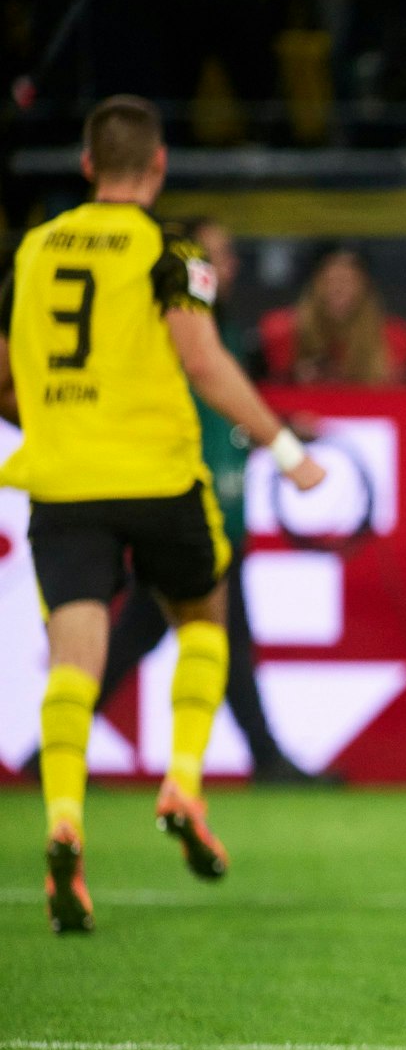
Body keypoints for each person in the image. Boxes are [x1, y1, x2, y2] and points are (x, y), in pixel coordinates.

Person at [0, 96, 326, 934]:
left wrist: (53, 420)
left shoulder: (32, 251)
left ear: (84, 165)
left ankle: (63, 820)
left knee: (75, 656)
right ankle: (184, 778)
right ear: (157, 167)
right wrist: (287, 450)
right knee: (205, 614)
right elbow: (201, 358)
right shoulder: (172, 254)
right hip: (156, 476)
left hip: (63, 482)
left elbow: (6, 372)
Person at [92, 217, 322, 786]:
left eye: (226, 255)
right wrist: (286, 445)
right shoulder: (185, 333)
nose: (223, 267)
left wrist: (278, 427)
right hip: (193, 508)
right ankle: (267, 760)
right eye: (210, 255)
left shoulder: (222, 329)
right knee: (221, 640)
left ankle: (47, 750)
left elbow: (224, 413)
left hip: (207, 506)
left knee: (148, 635)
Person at [256, 244, 406, 388]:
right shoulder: (285, 333)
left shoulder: (395, 338)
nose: (338, 289)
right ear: (314, 285)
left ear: (365, 287)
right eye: (330, 280)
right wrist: (293, 376)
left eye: (348, 281)